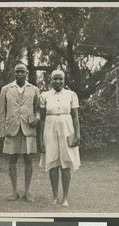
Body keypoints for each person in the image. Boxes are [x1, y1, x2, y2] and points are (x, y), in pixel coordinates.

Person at [0, 62, 40, 202]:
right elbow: (1, 112)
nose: (20, 74)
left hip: (28, 128)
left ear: (26, 73)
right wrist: (2, 132)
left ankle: (27, 192)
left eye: (22, 71)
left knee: (28, 160)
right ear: (13, 73)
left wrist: (38, 118)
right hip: (11, 129)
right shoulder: (6, 89)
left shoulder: (34, 89)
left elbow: (38, 109)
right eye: (17, 72)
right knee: (12, 159)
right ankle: (14, 192)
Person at [39, 69, 81, 207]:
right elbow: (42, 119)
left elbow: (75, 116)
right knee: (52, 162)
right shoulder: (44, 95)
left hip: (67, 128)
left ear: (64, 80)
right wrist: (40, 138)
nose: (58, 81)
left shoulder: (71, 94)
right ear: (50, 80)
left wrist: (78, 134)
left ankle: (65, 197)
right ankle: (55, 196)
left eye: (60, 79)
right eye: (55, 79)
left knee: (66, 162)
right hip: (49, 130)